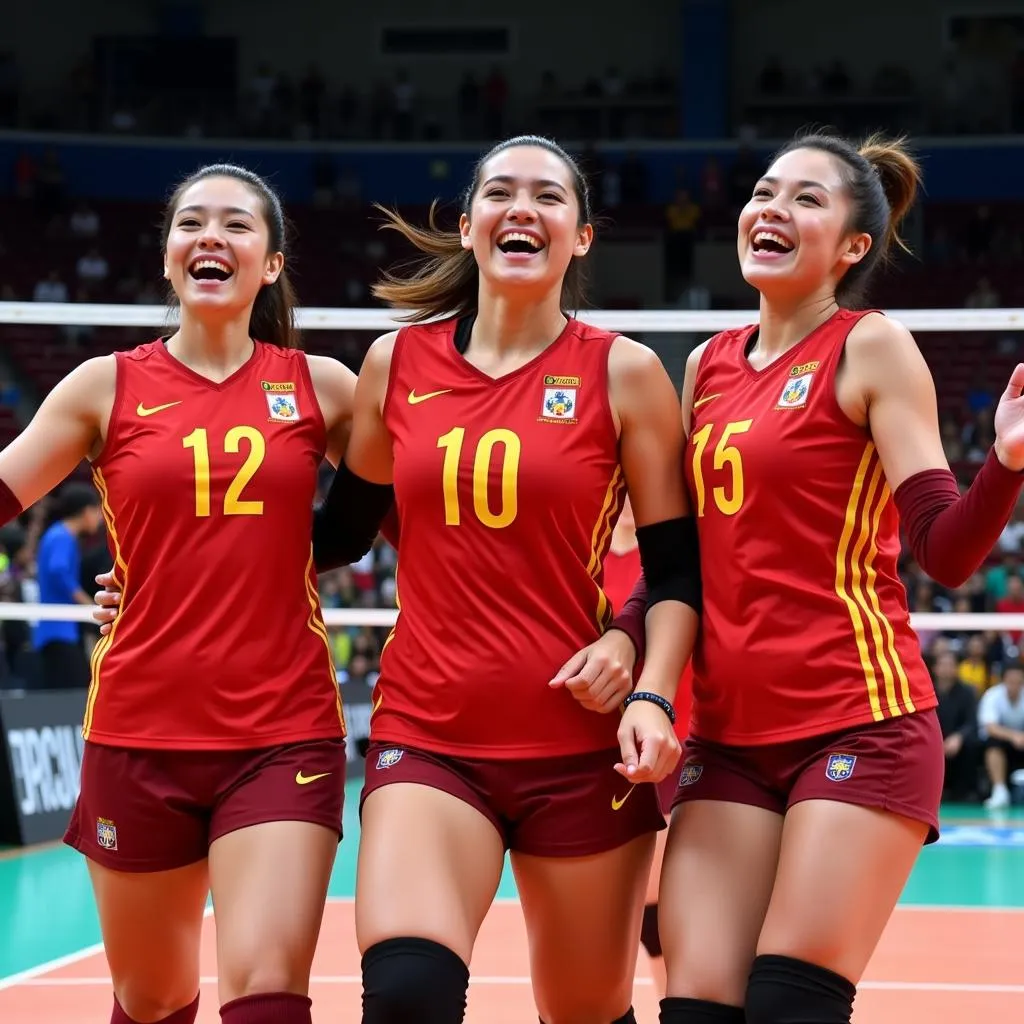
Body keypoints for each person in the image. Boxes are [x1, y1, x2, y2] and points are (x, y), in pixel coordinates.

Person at [577, 131, 1024, 1024]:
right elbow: (683, 560)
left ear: (854, 246)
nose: (772, 209)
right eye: (764, 191)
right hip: (733, 743)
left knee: (790, 1006)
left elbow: (943, 550)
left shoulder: (870, 347)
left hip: (860, 720)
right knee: (697, 1005)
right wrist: (626, 637)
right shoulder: (704, 366)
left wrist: (1007, 463)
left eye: (806, 199)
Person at [316, 134, 699, 1024]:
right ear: (467, 224)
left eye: (548, 197)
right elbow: (334, 536)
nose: (522, 208)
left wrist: (651, 689)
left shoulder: (626, 372)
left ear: (583, 236)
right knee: (406, 995)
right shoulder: (395, 365)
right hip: (432, 732)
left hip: (580, 744)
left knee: (585, 1012)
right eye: (499, 192)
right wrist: (161, 572)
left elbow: (680, 572)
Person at [0, 163, 368, 1024]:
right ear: (168, 257)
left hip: (283, 729)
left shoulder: (326, 388)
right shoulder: (104, 386)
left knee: (267, 993)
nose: (212, 237)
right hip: (140, 729)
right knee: (154, 997)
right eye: (191, 223)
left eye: (237, 225)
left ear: (271, 263)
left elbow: (433, 522)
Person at [594, 494, 693, 997]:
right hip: (601, 744)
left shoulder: (667, 554)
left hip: (675, 733)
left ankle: (671, 998)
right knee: (610, 902)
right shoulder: (585, 558)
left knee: (661, 900)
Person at [32, 481, 102, 689]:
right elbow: (58, 570)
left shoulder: (58, 535)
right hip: (58, 629)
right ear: (86, 511)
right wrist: (87, 603)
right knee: (74, 689)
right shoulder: (62, 537)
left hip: (59, 629)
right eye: (97, 510)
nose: (99, 518)